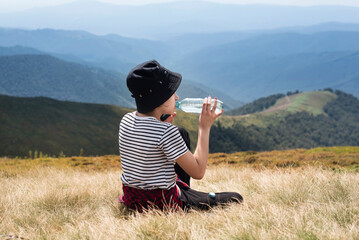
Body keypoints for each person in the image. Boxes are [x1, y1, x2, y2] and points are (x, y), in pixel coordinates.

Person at [118, 60, 243, 212]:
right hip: (163, 201)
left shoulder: (126, 120)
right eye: (172, 93)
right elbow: (198, 172)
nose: (177, 97)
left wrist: (161, 123)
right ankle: (185, 198)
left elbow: (148, 142)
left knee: (181, 132)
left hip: (133, 198)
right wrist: (204, 127)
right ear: (160, 99)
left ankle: (186, 192)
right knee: (236, 198)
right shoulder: (166, 132)